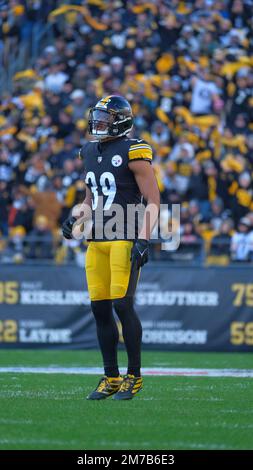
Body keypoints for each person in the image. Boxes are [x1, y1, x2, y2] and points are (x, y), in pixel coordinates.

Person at [62, 95, 160, 400]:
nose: (98, 123)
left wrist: (144, 239)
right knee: (99, 308)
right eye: (98, 118)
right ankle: (111, 377)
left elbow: (153, 199)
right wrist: (76, 216)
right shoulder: (89, 151)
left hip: (124, 236)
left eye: (104, 118)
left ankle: (135, 376)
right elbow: (92, 198)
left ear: (120, 120)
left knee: (122, 305)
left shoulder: (134, 149)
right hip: (97, 239)